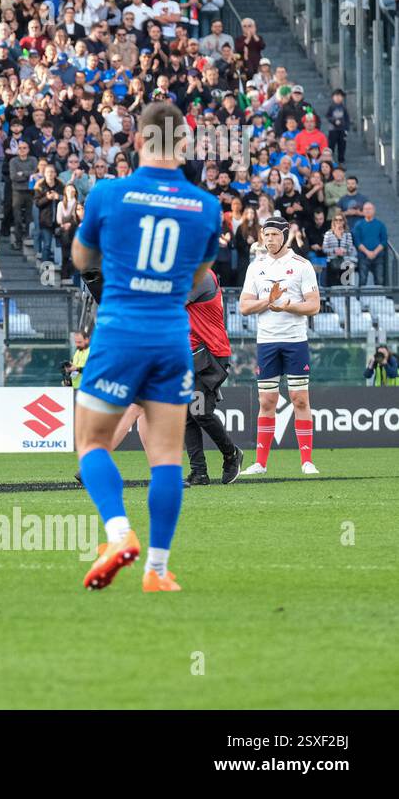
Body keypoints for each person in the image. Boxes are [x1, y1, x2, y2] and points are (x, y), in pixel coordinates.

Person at [71, 101, 222, 593]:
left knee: (92, 443)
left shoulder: (108, 194)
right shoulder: (206, 208)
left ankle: (118, 534)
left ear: (137, 141)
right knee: (166, 459)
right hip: (172, 339)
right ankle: (157, 572)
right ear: (184, 145)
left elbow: (81, 257)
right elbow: (198, 276)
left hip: (119, 333)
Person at [238, 216, 321, 476]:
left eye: (274, 234)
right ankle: (260, 463)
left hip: (295, 341)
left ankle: (306, 461)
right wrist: (268, 302)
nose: (269, 239)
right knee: (267, 401)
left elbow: (314, 305)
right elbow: (244, 307)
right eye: (266, 235)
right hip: (267, 342)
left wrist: (288, 305)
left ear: (284, 236)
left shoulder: (302, 265)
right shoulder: (256, 266)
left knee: (300, 399)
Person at [181, 269, 243, 486]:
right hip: (191, 353)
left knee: (200, 412)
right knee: (188, 415)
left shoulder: (200, 276)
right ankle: (199, 472)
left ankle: (231, 454)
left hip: (210, 353)